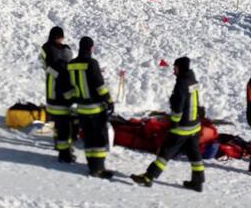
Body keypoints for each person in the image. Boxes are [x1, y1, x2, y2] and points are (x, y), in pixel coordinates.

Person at [131, 57, 205, 192]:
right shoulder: (193, 80)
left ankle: (149, 177)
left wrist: (174, 123)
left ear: (180, 68)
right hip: (194, 125)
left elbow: (178, 107)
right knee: (195, 155)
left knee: (165, 152)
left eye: (175, 67)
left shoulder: (182, 83)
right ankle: (198, 182)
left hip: (183, 127)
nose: (173, 69)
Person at [67, 36, 114, 179]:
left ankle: (91, 166)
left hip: (81, 108)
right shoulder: (92, 63)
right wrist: (109, 101)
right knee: (98, 139)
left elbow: (71, 88)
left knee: (88, 138)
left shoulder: (71, 64)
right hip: (95, 109)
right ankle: (98, 169)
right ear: (91, 48)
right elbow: (100, 86)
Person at [39, 26, 75, 163]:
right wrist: (58, 74)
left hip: (63, 86)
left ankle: (62, 144)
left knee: (63, 118)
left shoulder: (67, 49)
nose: (61, 39)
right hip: (54, 86)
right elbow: (44, 65)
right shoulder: (46, 48)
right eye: (60, 37)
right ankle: (59, 144)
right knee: (58, 117)